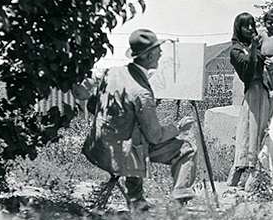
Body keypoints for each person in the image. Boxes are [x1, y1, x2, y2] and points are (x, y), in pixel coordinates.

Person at [82, 29, 197, 210]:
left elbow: (92, 105)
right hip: (122, 155)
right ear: (149, 55)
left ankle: (136, 199)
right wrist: (178, 127)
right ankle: (179, 200)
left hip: (99, 147)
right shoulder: (141, 92)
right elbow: (155, 137)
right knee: (186, 149)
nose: (161, 53)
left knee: (134, 136)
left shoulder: (111, 73)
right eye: (158, 49)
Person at [227, 12, 273, 188]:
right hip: (252, 93)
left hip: (264, 92)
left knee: (260, 131)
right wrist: (255, 50)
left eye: (251, 25)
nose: (249, 29)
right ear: (238, 29)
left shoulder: (257, 45)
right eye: (244, 26)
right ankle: (244, 173)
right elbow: (246, 71)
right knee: (249, 132)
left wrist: (272, 65)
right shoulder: (236, 50)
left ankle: (254, 173)